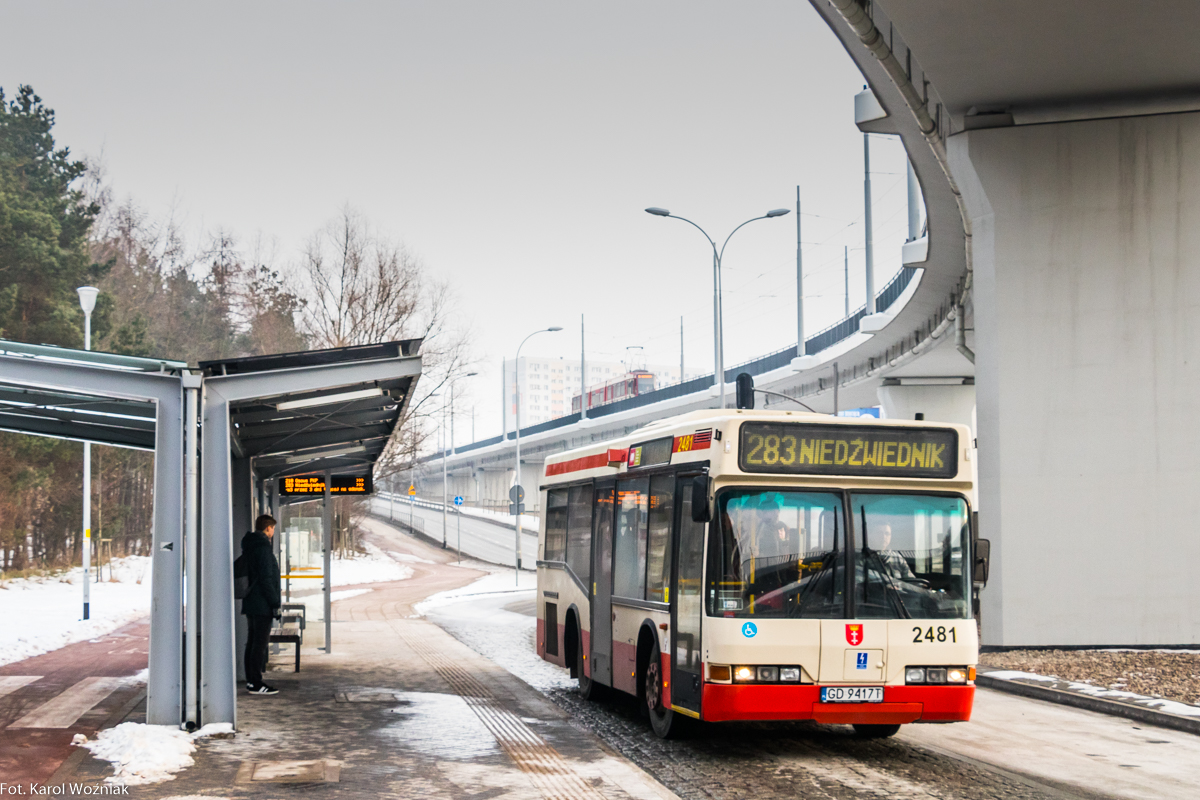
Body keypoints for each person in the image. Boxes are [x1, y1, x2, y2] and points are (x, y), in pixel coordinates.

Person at [241, 514, 281, 695]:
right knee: (259, 644)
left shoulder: (251, 546)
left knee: (252, 642)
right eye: (273, 528)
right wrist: (274, 603)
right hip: (262, 603)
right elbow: (266, 578)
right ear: (267, 528)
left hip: (252, 601)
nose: (273, 532)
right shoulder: (263, 548)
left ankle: (251, 680)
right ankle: (256, 682)